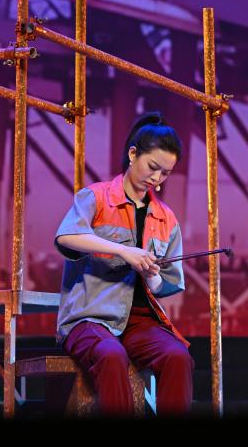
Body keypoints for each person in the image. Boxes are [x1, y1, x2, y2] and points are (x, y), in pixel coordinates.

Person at [54, 111, 193, 415]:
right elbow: (66, 236)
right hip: (89, 317)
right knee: (110, 355)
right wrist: (124, 252)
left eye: (165, 173)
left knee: (177, 356)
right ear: (133, 154)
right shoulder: (96, 197)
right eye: (153, 167)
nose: (157, 178)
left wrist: (152, 275)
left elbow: (167, 284)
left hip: (138, 322)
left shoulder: (166, 218)